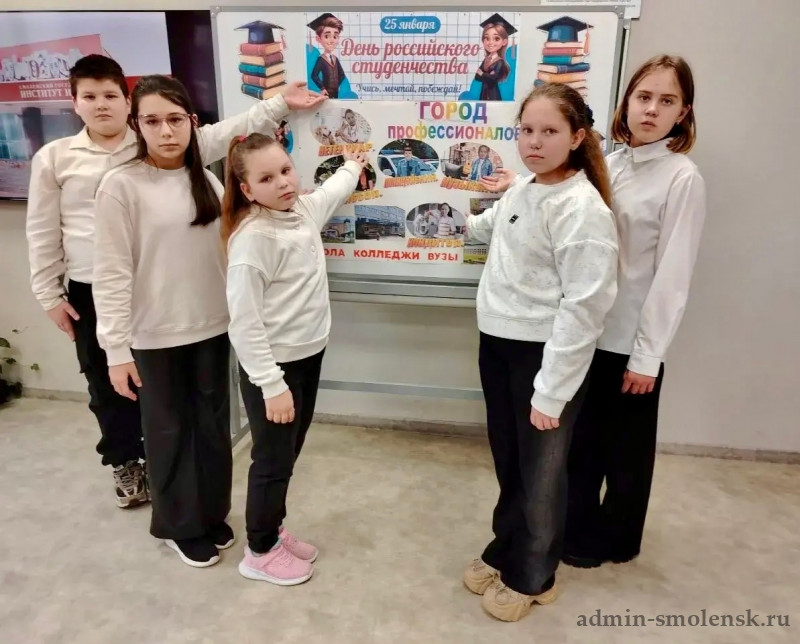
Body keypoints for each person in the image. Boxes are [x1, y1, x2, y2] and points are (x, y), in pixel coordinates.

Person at [25, 54, 325, 509]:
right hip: (130, 308)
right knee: (147, 414)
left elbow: (229, 132)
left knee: (209, 423)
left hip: (208, 316)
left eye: (110, 95)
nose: (165, 131)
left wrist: (280, 102)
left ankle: (210, 512)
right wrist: (57, 298)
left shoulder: (197, 169)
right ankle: (156, 496)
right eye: (90, 96)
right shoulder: (95, 172)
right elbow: (62, 242)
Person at [461, 83, 618, 622]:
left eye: (550, 131)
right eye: (526, 130)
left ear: (576, 137)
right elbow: (490, 227)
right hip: (498, 346)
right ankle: (507, 545)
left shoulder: (582, 209)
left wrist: (552, 391)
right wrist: (469, 209)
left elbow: (585, 308)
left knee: (543, 473)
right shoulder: (524, 189)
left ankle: (534, 573)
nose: (534, 141)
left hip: (544, 357)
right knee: (510, 462)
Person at [563, 55, 706, 569]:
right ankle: (576, 530)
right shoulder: (609, 162)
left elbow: (673, 274)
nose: (651, 110)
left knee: (624, 452)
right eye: (644, 97)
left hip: (630, 339)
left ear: (682, 113)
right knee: (581, 442)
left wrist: (648, 356)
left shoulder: (682, 178)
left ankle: (618, 539)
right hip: (587, 329)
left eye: (667, 101)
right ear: (627, 102)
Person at [221, 133, 366, 584]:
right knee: (272, 461)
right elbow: (244, 324)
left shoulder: (301, 211)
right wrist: (271, 385)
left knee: (289, 453)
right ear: (247, 190)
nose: (283, 182)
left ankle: (273, 528)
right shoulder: (253, 240)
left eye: (285, 170)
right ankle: (259, 551)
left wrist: (352, 166)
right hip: (274, 369)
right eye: (266, 178)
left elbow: (331, 192)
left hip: (308, 357)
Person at [308, 13, 348, 99]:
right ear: (318, 38)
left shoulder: (335, 59)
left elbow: (342, 75)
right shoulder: (321, 59)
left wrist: (337, 85)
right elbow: (314, 75)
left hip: (336, 92)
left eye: (335, 36)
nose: (332, 40)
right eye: (327, 36)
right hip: (326, 92)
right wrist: (322, 88)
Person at [474, 17, 512, 101]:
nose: (491, 42)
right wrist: (488, 75)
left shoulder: (500, 62)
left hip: (493, 95)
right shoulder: (486, 60)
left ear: (504, 42)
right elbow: (477, 77)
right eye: (487, 38)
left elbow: (493, 79)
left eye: (496, 39)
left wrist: (482, 74)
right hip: (483, 94)